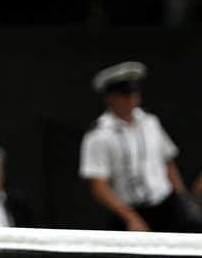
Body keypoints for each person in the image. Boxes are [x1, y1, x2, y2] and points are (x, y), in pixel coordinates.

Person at [79, 61, 192, 232]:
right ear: (111, 98)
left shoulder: (150, 122)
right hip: (129, 211)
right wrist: (130, 218)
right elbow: (99, 186)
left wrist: (182, 198)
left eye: (134, 92)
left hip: (165, 205)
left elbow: (167, 162)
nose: (132, 99)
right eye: (125, 94)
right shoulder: (99, 134)